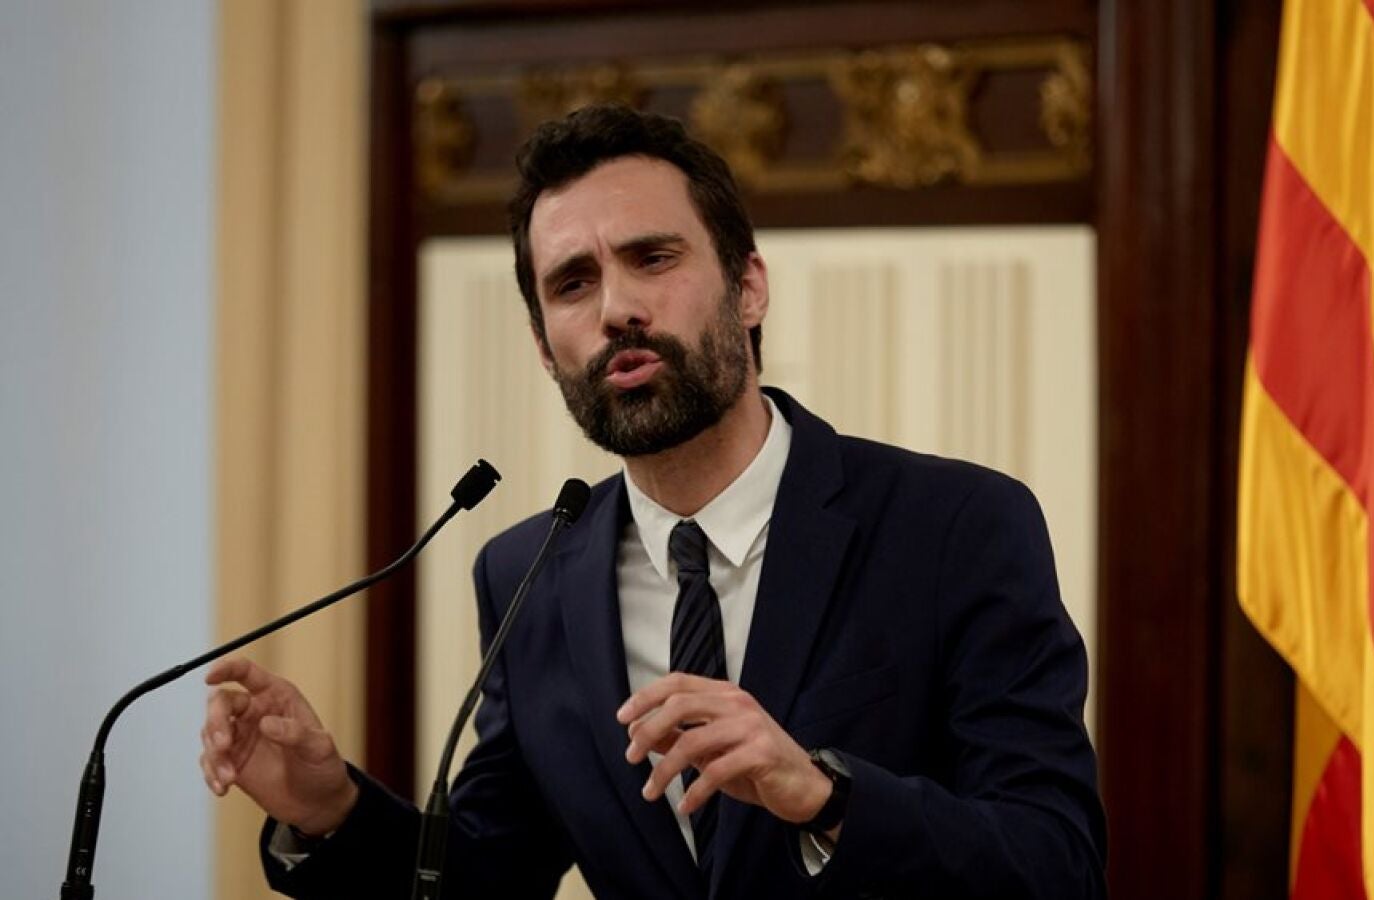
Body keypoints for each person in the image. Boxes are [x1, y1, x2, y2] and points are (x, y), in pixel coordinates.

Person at [199, 105, 1107, 899]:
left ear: (748, 287)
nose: (617, 308)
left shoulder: (952, 527)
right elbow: (485, 878)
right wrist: (331, 809)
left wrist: (823, 795)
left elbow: (1055, 862)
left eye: (652, 257)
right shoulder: (526, 577)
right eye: (573, 283)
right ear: (545, 347)